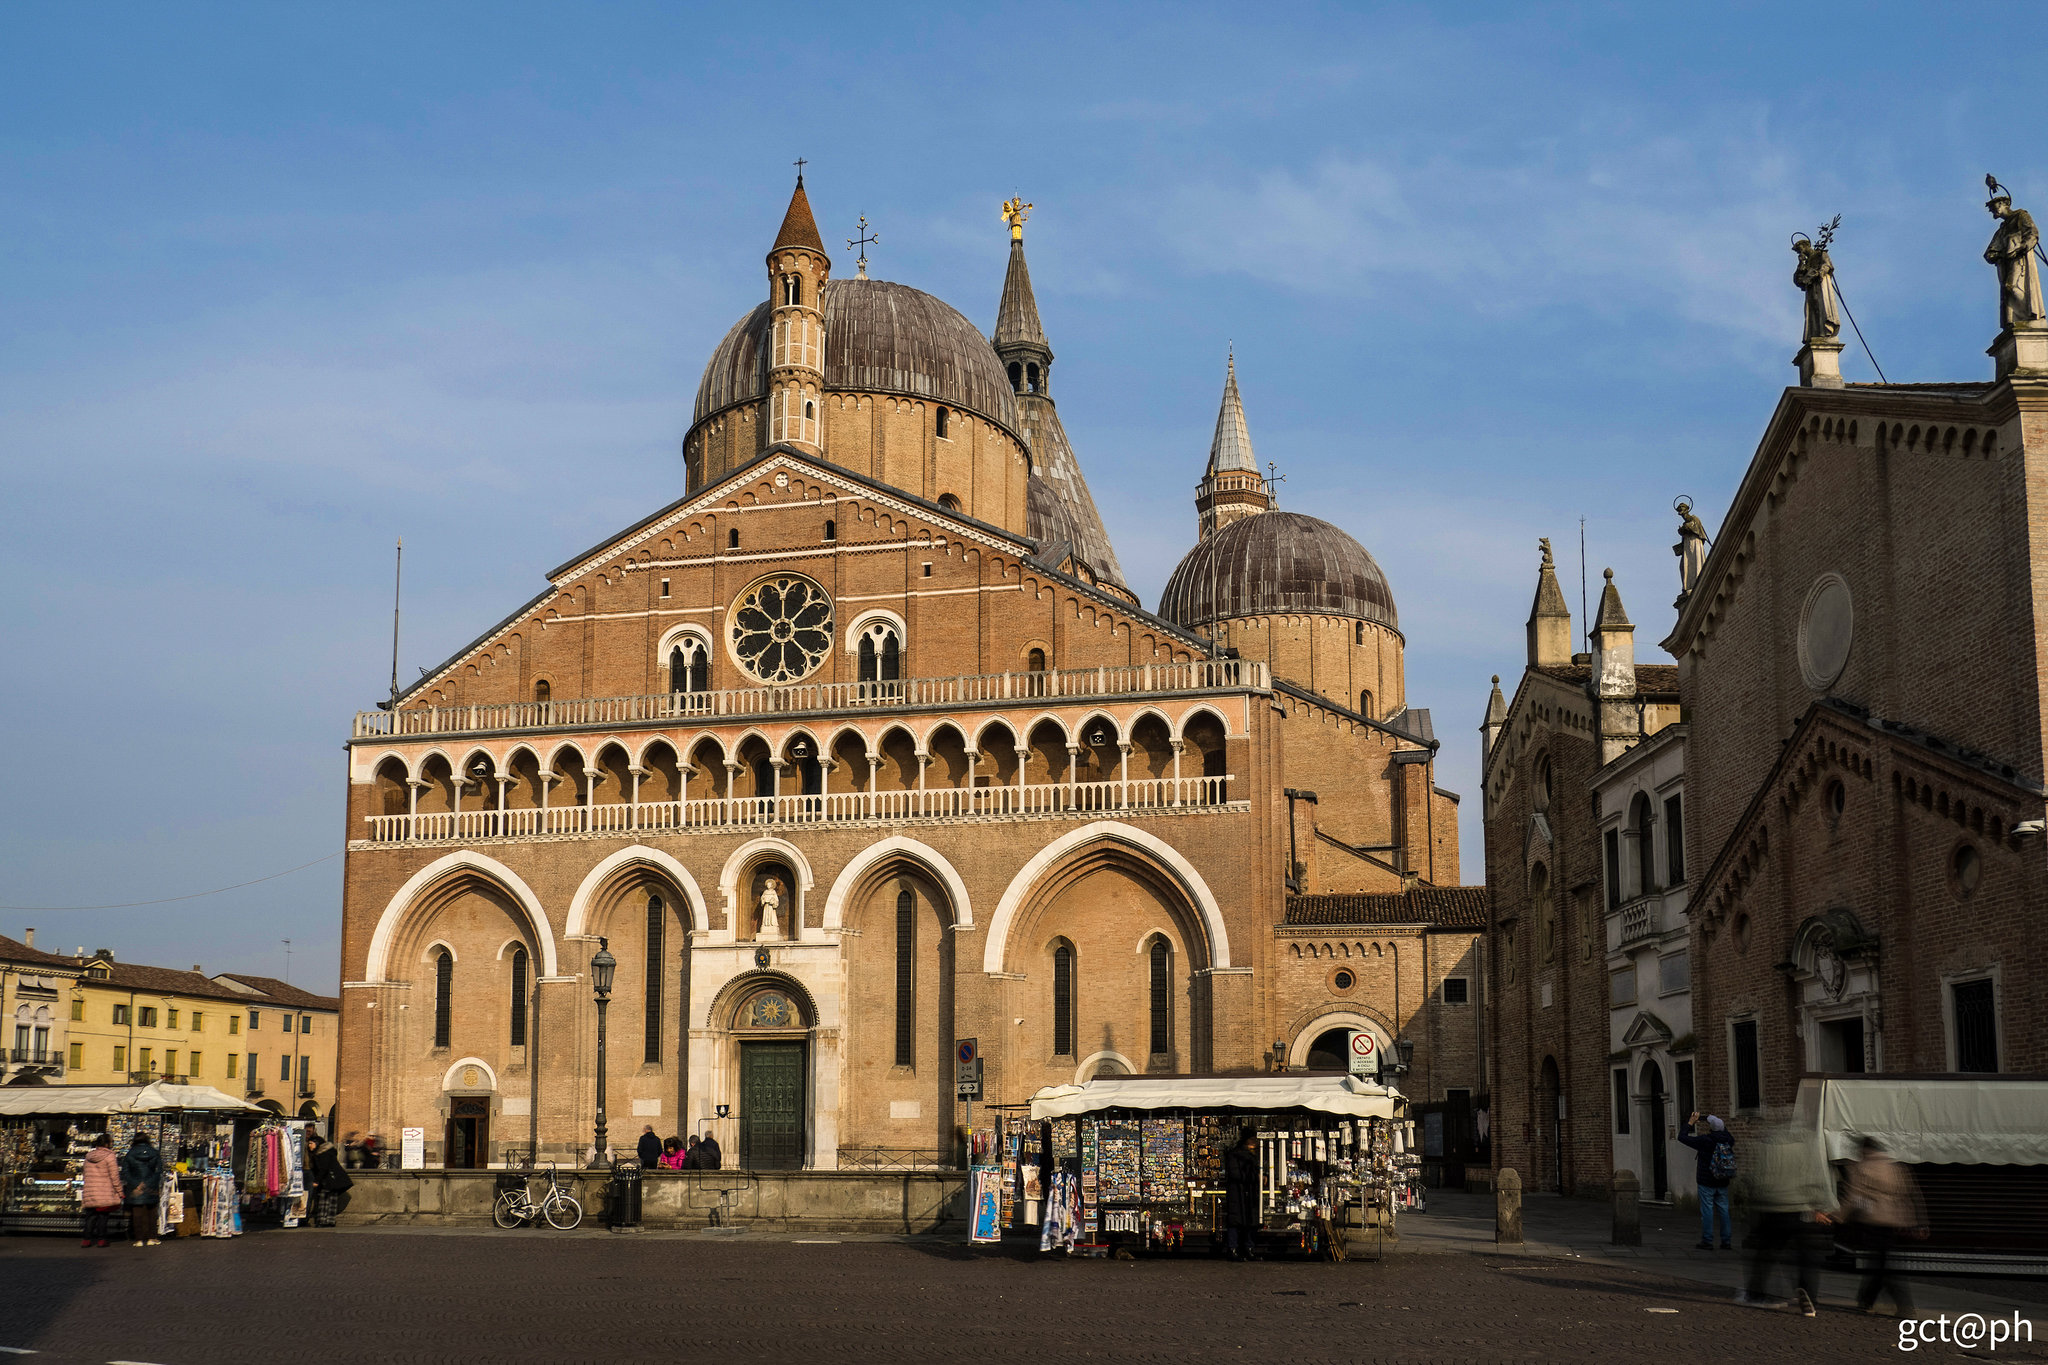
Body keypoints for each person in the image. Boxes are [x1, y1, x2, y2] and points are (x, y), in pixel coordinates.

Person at [1738, 1124, 1837, 1316]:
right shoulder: (1807, 1147)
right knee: (1806, 1256)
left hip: (1773, 1208)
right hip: (1801, 1208)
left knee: (1766, 1253)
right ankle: (1808, 1294)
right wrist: (1824, 1206)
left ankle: (1756, 1294)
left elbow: (1758, 1179)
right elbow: (1817, 1179)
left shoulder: (1768, 1148)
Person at [1836, 1136, 1926, 1316]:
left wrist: (1840, 1215)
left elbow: (1854, 1196)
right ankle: (1866, 1300)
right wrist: (1916, 1221)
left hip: (1872, 1221)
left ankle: (1903, 1306)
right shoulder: (1894, 1167)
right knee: (1880, 1261)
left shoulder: (1861, 1168)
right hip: (1892, 1221)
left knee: (1882, 1266)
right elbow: (1908, 1194)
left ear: (1863, 1150)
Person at [1677, 1112, 1735, 1250]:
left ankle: (1707, 1241)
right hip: (1722, 1180)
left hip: (1706, 1180)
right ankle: (1726, 1241)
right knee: (1724, 1210)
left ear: (1711, 1128)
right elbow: (1723, 1131)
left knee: (1707, 1210)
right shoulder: (1728, 1139)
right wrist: (1717, 1122)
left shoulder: (1705, 1140)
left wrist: (1691, 1122)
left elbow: (1682, 1137)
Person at [119, 1130, 163, 1247]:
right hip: (151, 1187)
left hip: (135, 1188)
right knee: (152, 1213)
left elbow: (125, 1172)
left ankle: (139, 1239)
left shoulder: (130, 1154)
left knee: (137, 1213)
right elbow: (158, 1171)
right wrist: (149, 1183)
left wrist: (136, 1184)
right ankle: (152, 1237)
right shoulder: (154, 1153)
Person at [1222, 1127, 1259, 1262]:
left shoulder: (1248, 1155)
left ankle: (1245, 1247)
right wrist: (1256, 1177)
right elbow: (1235, 1174)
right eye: (1252, 1140)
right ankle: (1235, 1248)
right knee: (1236, 1221)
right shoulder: (1237, 1155)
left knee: (1248, 1220)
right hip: (1238, 1194)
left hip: (1245, 1194)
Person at [80, 1133, 123, 1248]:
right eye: (111, 1142)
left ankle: (86, 1239)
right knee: (103, 1216)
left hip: (90, 1191)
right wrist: (120, 1191)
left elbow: (85, 1174)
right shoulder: (110, 1156)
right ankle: (101, 1239)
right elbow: (114, 1176)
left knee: (90, 1216)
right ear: (106, 1144)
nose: (112, 1144)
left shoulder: (88, 1156)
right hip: (104, 1192)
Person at [304, 1132, 354, 1227]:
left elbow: (323, 1168)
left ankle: (323, 1220)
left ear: (317, 1143)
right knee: (331, 1201)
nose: (309, 1145)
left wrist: (316, 1181)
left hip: (329, 1180)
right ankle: (329, 1220)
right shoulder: (324, 1152)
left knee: (324, 1200)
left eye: (311, 1143)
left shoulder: (322, 1153)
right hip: (332, 1180)